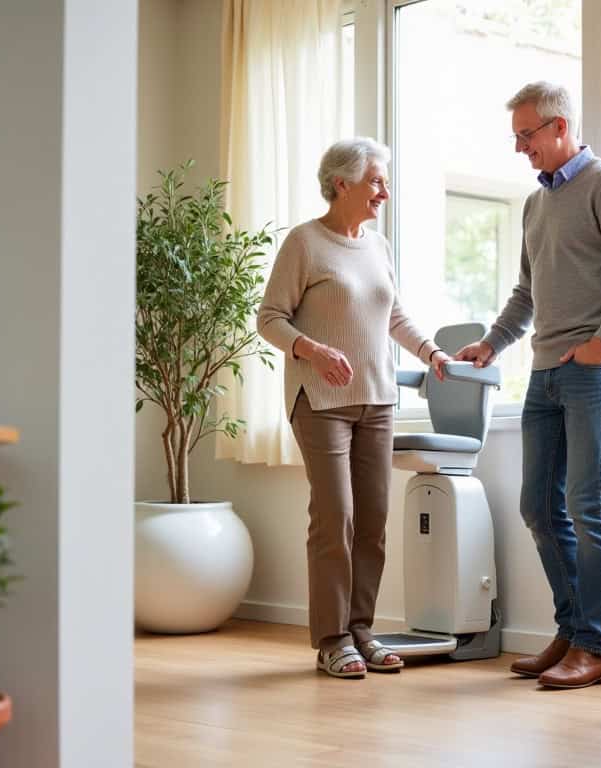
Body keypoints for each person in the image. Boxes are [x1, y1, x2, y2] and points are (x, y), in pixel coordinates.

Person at [454, 81, 601, 689]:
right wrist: (493, 342)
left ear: (560, 127)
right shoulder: (535, 204)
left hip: (597, 370)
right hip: (545, 372)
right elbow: (527, 291)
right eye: (515, 136)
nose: (520, 148)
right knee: (539, 506)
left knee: (586, 505)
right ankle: (572, 632)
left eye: (527, 135)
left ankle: (596, 647)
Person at [257, 137, 451, 679]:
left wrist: (431, 351)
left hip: (377, 399)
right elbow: (270, 316)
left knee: (372, 521)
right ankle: (331, 638)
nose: (384, 192)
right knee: (335, 517)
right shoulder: (305, 242)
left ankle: (361, 628)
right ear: (341, 183)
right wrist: (311, 349)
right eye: (375, 181)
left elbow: (393, 316)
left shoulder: (377, 246)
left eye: (384, 182)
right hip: (320, 401)